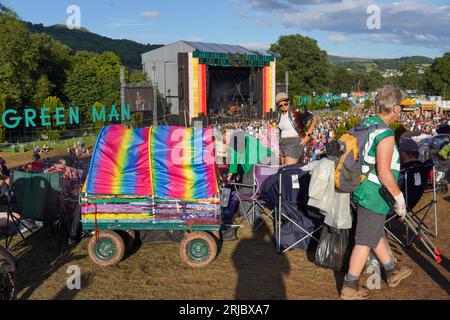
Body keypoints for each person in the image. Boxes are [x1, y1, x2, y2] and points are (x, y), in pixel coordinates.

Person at [340, 86, 413, 300]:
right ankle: (350, 286)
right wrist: (399, 197)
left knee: (374, 231)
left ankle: (391, 270)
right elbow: (384, 172)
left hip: (360, 186)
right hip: (374, 192)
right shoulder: (386, 134)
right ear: (396, 108)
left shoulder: (367, 123)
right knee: (364, 239)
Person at [275, 92, 318, 165]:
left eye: (285, 104)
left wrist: (307, 137)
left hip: (294, 143)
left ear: (288, 101)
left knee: (287, 171)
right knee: (283, 170)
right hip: (283, 144)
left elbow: (314, 120)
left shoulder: (295, 110)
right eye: (280, 105)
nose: (283, 106)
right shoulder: (281, 115)